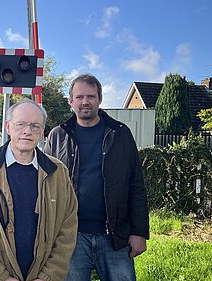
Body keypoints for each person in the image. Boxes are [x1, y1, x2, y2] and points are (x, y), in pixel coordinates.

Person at [44, 73, 150, 281]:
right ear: (70, 101)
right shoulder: (57, 135)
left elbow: (136, 184)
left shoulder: (120, 134)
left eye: (91, 97)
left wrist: (139, 232)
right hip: (70, 236)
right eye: (79, 97)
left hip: (114, 235)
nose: (85, 102)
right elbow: (45, 186)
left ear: (100, 99)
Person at [0, 98, 78, 281]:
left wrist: (49, 275)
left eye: (34, 126)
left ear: (42, 132)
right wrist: (0, 277)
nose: (27, 131)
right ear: (8, 127)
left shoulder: (58, 172)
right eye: (20, 124)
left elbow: (68, 228)